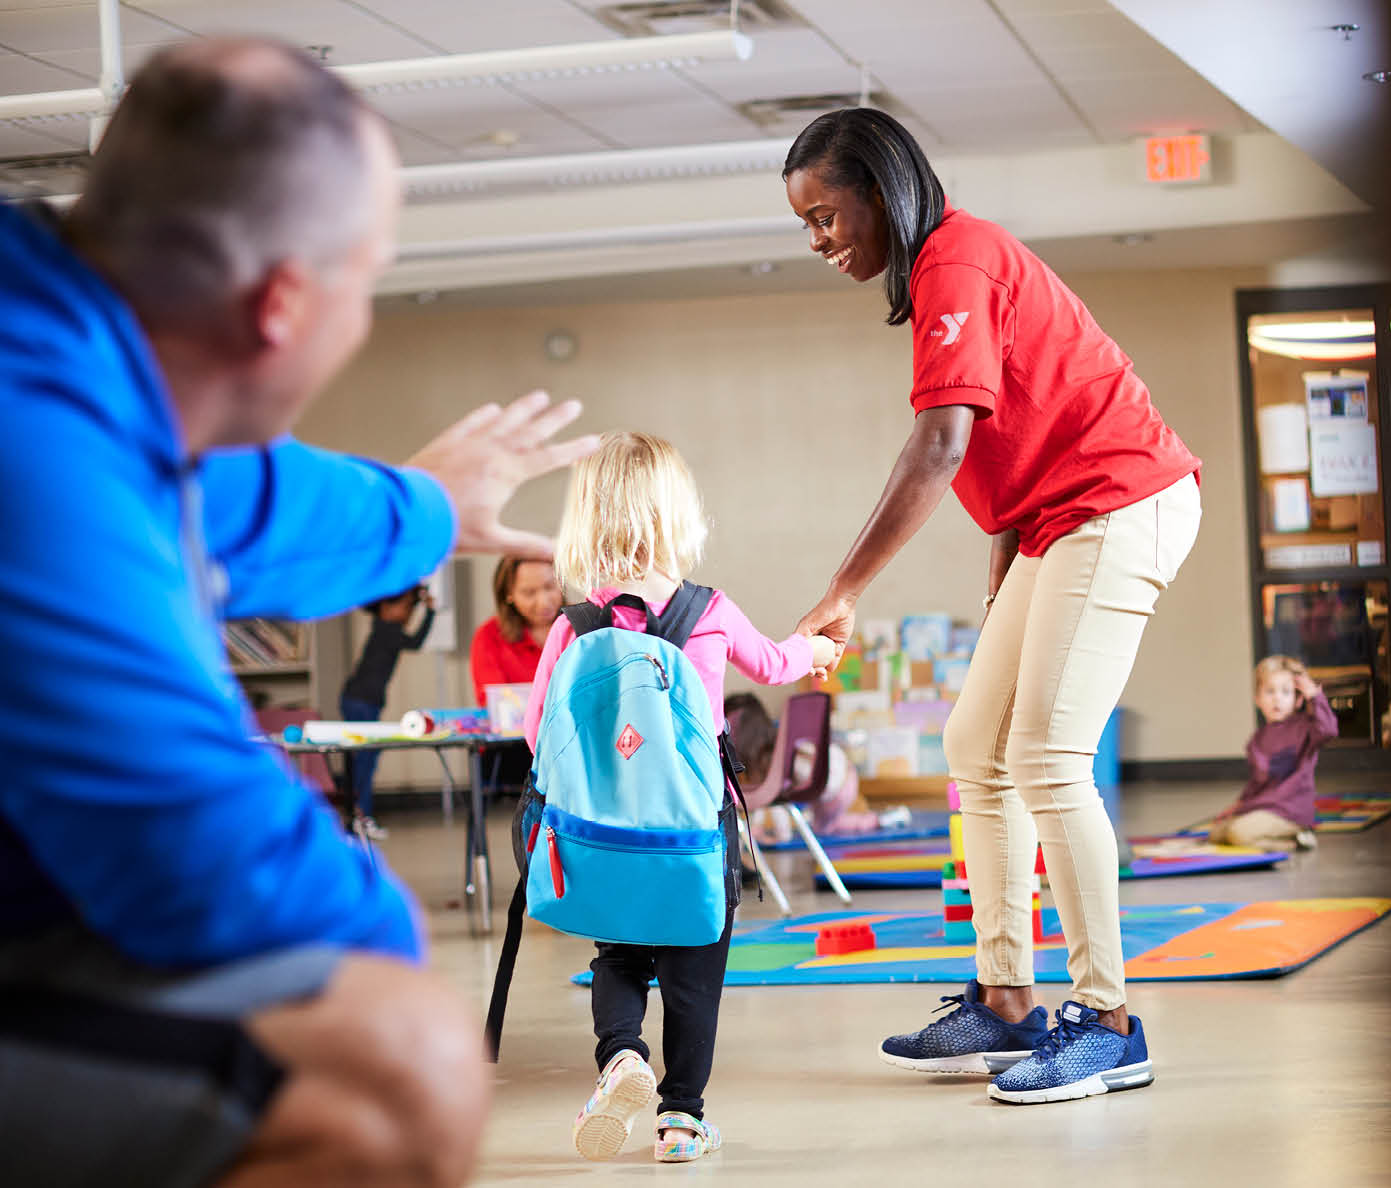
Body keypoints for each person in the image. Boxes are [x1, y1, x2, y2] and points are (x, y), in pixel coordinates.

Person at [0, 39, 598, 1188]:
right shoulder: (35, 451)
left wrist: (426, 511)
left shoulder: (66, 353)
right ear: (283, 302)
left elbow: (247, 502)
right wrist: (386, 949)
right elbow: (199, 857)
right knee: (393, 1067)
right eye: (366, 280)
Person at [783, 108, 1203, 1106]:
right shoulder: (948, 268)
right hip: (1058, 522)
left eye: (825, 215)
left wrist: (841, 594)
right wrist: (1007, 567)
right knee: (977, 747)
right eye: (802, 224)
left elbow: (940, 445)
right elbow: (1015, 434)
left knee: (1049, 760)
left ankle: (1108, 1023)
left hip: (1120, 500)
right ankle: (1008, 999)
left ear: (880, 192)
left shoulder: (955, 260)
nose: (817, 240)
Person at [521, 432, 836, 1162]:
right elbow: (778, 662)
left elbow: (536, 733)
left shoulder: (573, 626)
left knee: (620, 957)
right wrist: (817, 650)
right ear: (678, 517)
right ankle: (681, 1121)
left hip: (604, 835)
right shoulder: (709, 611)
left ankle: (622, 1057)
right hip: (696, 832)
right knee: (695, 974)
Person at [722, 692, 888, 846]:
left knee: (824, 828)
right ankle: (875, 819)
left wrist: (781, 835)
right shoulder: (777, 745)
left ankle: (874, 820)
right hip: (841, 774)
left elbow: (774, 797)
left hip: (839, 784)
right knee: (822, 825)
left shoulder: (766, 759)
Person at [1207, 656, 1337, 851]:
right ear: (1257, 699)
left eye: (1286, 692)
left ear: (1298, 699)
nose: (1277, 698)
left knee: (1238, 834)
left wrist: (1314, 695)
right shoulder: (1257, 740)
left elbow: (1328, 730)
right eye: (1270, 692)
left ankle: (1295, 841)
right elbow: (1257, 782)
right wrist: (1239, 804)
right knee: (1217, 833)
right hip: (1264, 808)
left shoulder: (1305, 728)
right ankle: (1284, 839)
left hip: (1290, 811)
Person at [338, 585, 434, 839]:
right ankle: (361, 817)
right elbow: (415, 642)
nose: (407, 613)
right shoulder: (387, 629)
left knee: (363, 760)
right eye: (403, 607)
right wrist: (428, 609)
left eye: (409, 608)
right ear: (384, 607)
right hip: (361, 701)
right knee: (365, 761)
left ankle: (358, 817)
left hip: (360, 700)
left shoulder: (385, 628)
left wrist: (418, 601)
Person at [471, 556, 562, 787]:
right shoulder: (490, 636)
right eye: (529, 593)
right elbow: (495, 703)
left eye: (550, 587)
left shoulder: (583, 628)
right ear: (508, 595)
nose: (543, 601)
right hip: (515, 750)